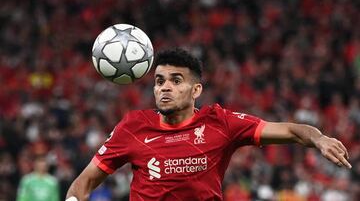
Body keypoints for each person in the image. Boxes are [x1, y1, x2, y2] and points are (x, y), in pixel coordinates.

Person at [66, 48, 351, 201]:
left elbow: (289, 130)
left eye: (176, 81)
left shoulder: (220, 122)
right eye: (159, 81)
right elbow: (85, 182)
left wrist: (318, 138)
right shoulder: (133, 126)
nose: (165, 88)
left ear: (196, 90)